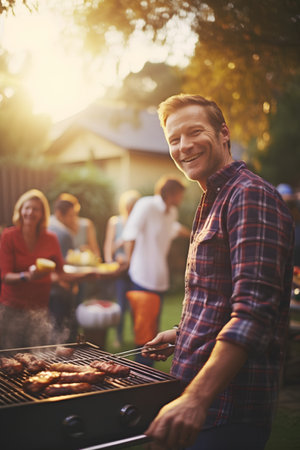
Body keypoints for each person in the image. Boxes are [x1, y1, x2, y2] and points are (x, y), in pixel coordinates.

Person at [140, 94, 295, 450]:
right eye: (174, 140)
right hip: (200, 397)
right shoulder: (214, 198)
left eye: (195, 132)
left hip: (226, 408)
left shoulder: (250, 197)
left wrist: (196, 399)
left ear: (223, 133)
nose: (184, 146)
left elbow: (253, 315)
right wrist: (182, 333)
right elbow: (218, 297)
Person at [122, 175, 190, 365]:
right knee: (144, 333)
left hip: (160, 278)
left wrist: (195, 234)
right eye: (180, 195)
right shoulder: (146, 205)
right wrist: (128, 263)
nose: (181, 200)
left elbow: (172, 229)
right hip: (142, 276)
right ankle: (138, 371)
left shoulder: (172, 213)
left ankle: (146, 372)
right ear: (171, 193)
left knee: (153, 332)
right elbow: (130, 233)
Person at [0, 189, 65, 349]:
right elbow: (4, 275)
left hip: (40, 307)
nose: (30, 212)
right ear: (20, 210)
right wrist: (28, 276)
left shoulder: (51, 238)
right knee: (10, 357)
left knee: (38, 355)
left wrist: (87, 275)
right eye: (27, 208)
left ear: (43, 213)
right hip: (12, 308)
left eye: (36, 209)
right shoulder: (9, 236)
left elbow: (60, 271)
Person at [103, 189, 141, 347]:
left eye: (132, 206)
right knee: (120, 305)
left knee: (136, 305)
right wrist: (111, 261)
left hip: (135, 270)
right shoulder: (115, 222)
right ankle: (118, 337)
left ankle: (137, 336)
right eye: (127, 206)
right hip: (119, 271)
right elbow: (108, 247)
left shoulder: (139, 223)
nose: (129, 209)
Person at [48, 197, 79, 343]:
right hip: (60, 289)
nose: (74, 219)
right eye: (72, 215)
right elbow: (66, 264)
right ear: (60, 214)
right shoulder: (64, 233)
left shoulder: (44, 226)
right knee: (65, 333)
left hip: (44, 288)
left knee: (49, 330)